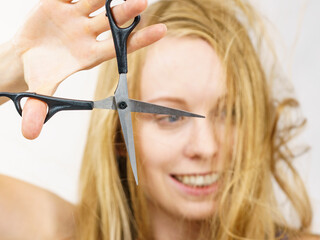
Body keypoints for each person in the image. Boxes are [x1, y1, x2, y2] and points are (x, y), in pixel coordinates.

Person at [0, 0, 319, 240]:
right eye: (169, 116)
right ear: (119, 138)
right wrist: (11, 66)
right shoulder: (57, 229)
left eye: (229, 113)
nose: (206, 148)